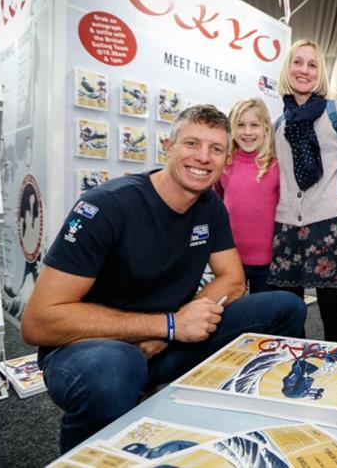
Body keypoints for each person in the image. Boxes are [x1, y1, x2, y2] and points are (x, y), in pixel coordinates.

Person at [21, 105, 307, 453]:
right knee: (113, 372)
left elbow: (232, 279)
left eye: (216, 149)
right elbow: (38, 322)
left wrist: (177, 326)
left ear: (224, 158)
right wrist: (167, 325)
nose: (203, 157)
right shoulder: (106, 206)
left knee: (286, 306)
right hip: (93, 349)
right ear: (169, 145)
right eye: (192, 144)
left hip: (168, 343)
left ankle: (252, 424)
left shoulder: (209, 207)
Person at [268, 39, 337, 343]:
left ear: (320, 72)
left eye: (312, 64)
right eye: (297, 62)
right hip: (287, 227)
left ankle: (336, 374)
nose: (304, 70)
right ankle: (294, 370)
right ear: (288, 68)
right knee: (290, 313)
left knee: (331, 312)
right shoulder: (278, 123)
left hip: (329, 225)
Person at [214, 98, 279, 293]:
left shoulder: (276, 165)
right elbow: (217, 202)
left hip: (268, 263)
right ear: (231, 129)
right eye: (240, 125)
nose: (248, 132)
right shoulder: (224, 164)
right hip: (230, 261)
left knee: (263, 317)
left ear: (266, 128)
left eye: (254, 125)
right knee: (234, 317)